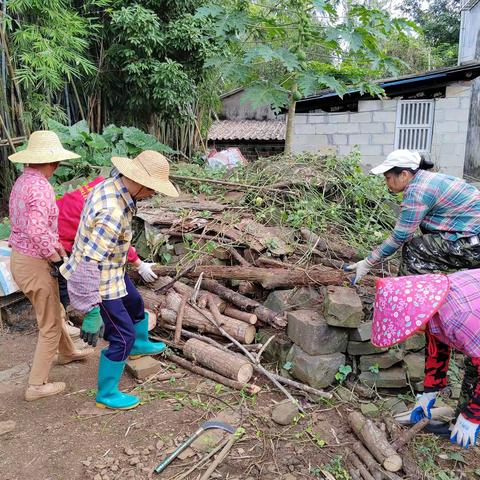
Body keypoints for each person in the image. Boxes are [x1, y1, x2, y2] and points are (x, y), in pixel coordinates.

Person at [346, 148, 480, 419]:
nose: (387, 183)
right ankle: (460, 414)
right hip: (468, 236)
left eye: (389, 177)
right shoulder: (428, 181)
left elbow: (400, 237)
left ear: (405, 174)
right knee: (426, 241)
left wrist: (368, 262)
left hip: (473, 242)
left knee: (417, 249)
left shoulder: (417, 191)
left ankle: (413, 303)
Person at [60, 150, 178, 410]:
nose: (153, 195)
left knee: (135, 302)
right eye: (152, 190)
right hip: (100, 283)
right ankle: (107, 393)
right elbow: (89, 263)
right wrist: (91, 309)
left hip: (114, 270)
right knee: (121, 336)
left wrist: (135, 262)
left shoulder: (111, 185)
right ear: (140, 184)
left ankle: (138, 344)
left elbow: (110, 245)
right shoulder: (112, 212)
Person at [8, 130, 94, 402]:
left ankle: (67, 352)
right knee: (49, 325)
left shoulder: (22, 182)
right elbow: (36, 229)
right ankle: (36, 384)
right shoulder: (42, 187)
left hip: (21, 259)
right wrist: (56, 257)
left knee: (53, 309)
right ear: (52, 162)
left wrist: (56, 250)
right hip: (34, 261)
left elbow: (34, 226)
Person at [371, 270, 480, 448]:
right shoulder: (430, 301)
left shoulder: (459, 318)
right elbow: (437, 351)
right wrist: (428, 394)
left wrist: (473, 415)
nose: (411, 332)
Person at [55, 176, 158, 308]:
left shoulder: (102, 186)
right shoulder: (109, 209)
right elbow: (109, 241)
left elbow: (117, 237)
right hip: (63, 239)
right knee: (65, 282)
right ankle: (70, 313)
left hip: (71, 232)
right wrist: (139, 264)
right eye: (151, 191)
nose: (151, 195)